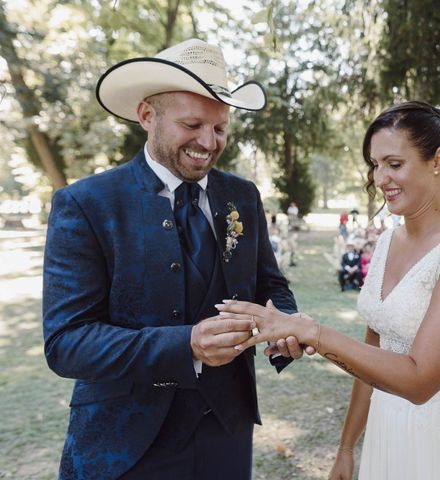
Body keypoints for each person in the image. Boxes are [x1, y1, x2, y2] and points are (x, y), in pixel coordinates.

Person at [218, 101, 440, 479]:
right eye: (374, 164)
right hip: (392, 431)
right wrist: (347, 447)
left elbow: (420, 381)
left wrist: (314, 334)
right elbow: (373, 354)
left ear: (438, 160)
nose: (380, 177)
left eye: (394, 164)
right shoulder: (387, 242)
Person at [42, 38, 313, 480]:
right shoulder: (86, 203)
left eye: (220, 128)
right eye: (192, 124)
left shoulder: (242, 196)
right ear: (147, 115)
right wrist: (185, 344)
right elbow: (67, 343)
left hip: (227, 430)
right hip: (126, 443)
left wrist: (284, 321)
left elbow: (269, 284)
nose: (208, 142)